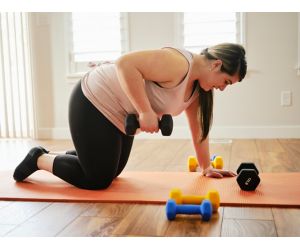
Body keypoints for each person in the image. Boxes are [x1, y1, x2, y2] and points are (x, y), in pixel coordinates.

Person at [13, 43, 247, 190]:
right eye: (226, 82)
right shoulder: (178, 63)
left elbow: (199, 129)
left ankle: (69, 154)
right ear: (217, 65)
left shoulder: (199, 90)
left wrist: (206, 167)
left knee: (113, 170)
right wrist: (145, 111)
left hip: (121, 112)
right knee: (98, 179)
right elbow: (125, 64)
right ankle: (38, 159)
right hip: (95, 98)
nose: (223, 88)